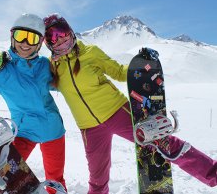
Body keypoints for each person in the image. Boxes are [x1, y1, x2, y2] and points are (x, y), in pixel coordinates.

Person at [43, 13, 217, 194]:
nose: (60, 39)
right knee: (97, 179)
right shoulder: (52, 67)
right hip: (89, 128)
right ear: (48, 43)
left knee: (162, 142)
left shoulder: (91, 53)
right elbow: (37, 81)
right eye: (52, 36)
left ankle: (212, 172)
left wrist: (142, 65)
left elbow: (119, 72)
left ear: (69, 31)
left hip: (118, 112)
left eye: (62, 32)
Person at [0, 13, 67, 194]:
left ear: (40, 42)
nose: (25, 43)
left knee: (55, 180)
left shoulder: (44, 65)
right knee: (4, 176)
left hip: (53, 130)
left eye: (31, 38)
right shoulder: (2, 71)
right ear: (12, 37)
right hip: (23, 132)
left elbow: (66, 84)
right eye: (20, 36)